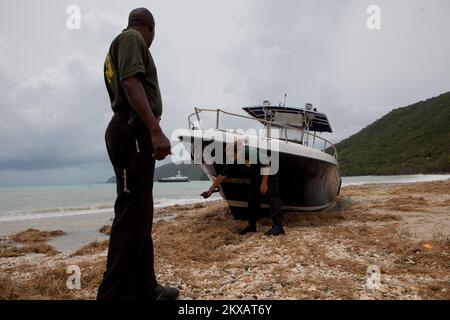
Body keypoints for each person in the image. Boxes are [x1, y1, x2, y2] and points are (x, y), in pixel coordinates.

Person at [97, 8, 179, 300]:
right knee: (132, 215)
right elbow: (131, 83)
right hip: (131, 129)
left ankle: (147, 287)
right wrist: (155, 130)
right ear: (150, 28)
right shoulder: (132, 38)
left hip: (130, 130)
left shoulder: (116, 48)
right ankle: (112, 295)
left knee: (142, 212)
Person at [203, 141, 285, 236]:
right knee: (252, 197)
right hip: (257, 173)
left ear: (237, 151)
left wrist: (264, 183)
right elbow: (222, 175)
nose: (228, 157)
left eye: (230, 155)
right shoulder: (233, 160)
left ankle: (278, 226)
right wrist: (210, 190)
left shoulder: (249, 152)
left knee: (272, 196)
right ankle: (252, 226)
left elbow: (266, 164)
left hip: (269, 170)